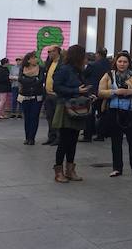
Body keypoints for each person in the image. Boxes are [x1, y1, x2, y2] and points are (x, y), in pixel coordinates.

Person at [99, 51, 132, 177]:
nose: (122, 64)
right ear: (116, 62)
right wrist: (114, 92)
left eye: (125, 62)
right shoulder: (109, 75)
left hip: (131, 111)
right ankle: (117, 168)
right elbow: (100, 92)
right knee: (116, 141)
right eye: (120, 61)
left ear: (129, 63)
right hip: (114, 111)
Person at [51, 45, 92, 183]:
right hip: (66, 107)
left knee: (73, 140)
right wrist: (76, 91)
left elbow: (80, 87)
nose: (86, 59)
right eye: (84, 56)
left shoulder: (78, 70)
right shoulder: (64, 69)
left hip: (77, 107)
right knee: (64, 140)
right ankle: (58, 171)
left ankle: (70, 169)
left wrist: (87, 93)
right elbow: (57, 87)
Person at [82, 47, 110, 142]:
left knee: (90, 114)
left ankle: (88, 135)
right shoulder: (109, 64)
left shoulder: (92, 65)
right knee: (103, 113)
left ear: (98, 54)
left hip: (93, 91)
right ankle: (101, 135)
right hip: (105, 91)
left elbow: (84, 75)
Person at [17, 51, 46, 145]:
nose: (36, 59)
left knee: (34, 117)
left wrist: (28, 80)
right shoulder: (23, 68)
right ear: (28, 60)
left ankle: (32, 138)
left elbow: (40, 80)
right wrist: (33, 80)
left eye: (36, 57)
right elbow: (20, 79)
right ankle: (27, 137)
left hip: (37, 96)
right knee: (27, 117)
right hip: (25, 96)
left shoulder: (40, 68)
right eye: (34, 58)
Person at [41, 46, 62, 146]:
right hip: (48, 94)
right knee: (49, 117)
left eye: (50, 51)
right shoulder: (49, 63)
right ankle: (51, 137)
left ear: (57, 51)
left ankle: (58, 138)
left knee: (57, 118)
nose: (49, 54)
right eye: (48, 52)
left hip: (56, 95)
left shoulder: (62, 63)